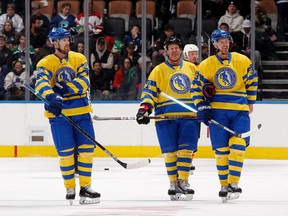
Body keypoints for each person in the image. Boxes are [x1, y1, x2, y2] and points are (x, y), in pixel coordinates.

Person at [34, 27, 100, 205]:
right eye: (63, 40)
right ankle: (70, 188)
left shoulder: (79, 58)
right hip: (60, 117)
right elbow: (41, 83)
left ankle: (86, 188)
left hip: (82, 113)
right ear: (54, 43)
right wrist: (51, 96)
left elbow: (85, 81)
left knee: (87, 151)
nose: (67, 42)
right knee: (66, 153)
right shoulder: (45, 63)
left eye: (67, 39)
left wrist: (63, 89)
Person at [190, 29, 258, 202]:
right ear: (214, 44)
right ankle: (224, 185)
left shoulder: (242, 60)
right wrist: (202, 106)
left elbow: (252, 80)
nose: (224, 43)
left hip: (239, 111)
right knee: (221, 151)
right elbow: (196, 88)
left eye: (226, 40)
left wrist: (251, 102)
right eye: (220, 41)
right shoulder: (207, 64)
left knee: (238, 145)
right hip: (217, 113)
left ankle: (234, 183)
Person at [136, 37, 198, 201]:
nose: (174, 50)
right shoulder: (158, 70)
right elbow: (149, 92)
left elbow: (201, 90)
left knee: (186, 151)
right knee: (170, 152)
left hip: (189, 117)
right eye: (171, 48)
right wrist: (145, 108)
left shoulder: (192, 68)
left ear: (180, 50)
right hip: (165, 117)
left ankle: (183, 182)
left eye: (177, 47)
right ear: (166, 51)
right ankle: (173, 184)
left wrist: (205, 106)